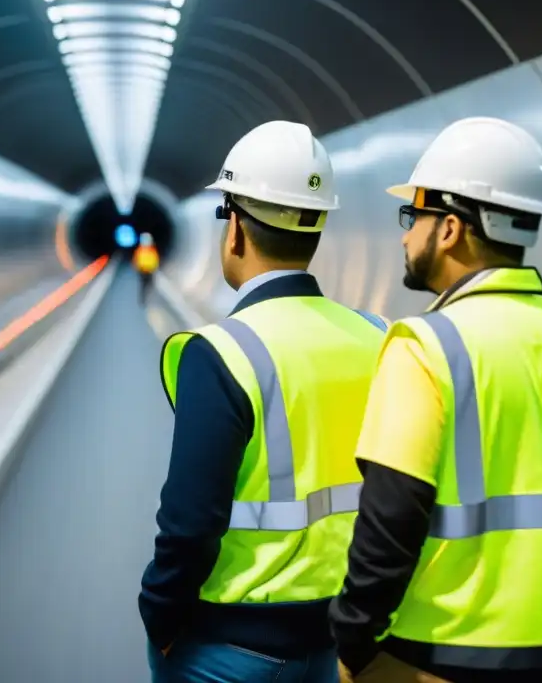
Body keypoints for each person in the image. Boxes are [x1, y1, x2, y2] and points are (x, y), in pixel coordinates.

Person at [328, 116, 542, 683]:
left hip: (445, 658)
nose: (404, 235)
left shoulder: (426, 346)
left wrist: (352, 642)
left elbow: (390, 524)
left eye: (413, 216)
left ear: (449, 228)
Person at [140, 121, 390, 683]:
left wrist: (159, 614)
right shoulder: (381, 337)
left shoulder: (221, 352)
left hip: (233, 647)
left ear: (234, 231)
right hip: (347, 641)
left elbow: (189, 523)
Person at [134, 232, 160, 303]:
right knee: (147, 284)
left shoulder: (140, 250)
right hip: (145, 270)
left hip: (146, 270)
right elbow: (155, 260)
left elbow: (155, 260)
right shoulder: (148, 250)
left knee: (146, 285)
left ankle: (145, 298)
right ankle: (145, 298)